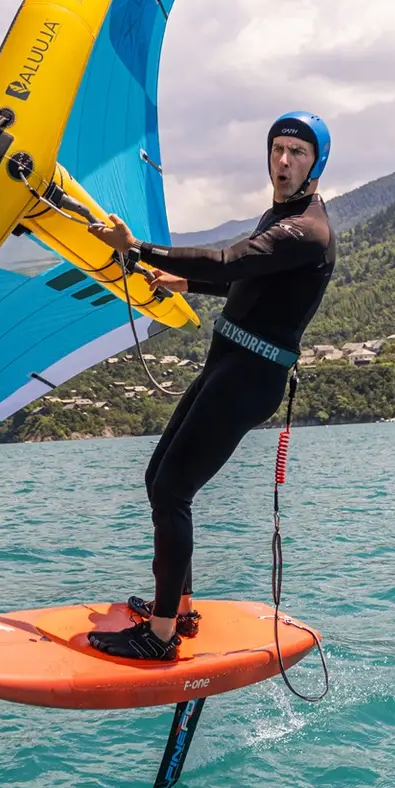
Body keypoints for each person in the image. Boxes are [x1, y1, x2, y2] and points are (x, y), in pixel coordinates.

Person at [82, 111, 337, 661]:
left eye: (297, 152)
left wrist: (137, 249)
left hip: (249, 376)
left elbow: (230, 262)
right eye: (277, 150)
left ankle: (161, 636)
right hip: (228, 364)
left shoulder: (307, 230)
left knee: (173, 491)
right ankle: (180, 606)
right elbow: (249, 282)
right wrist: (186, 281)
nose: (284, 160)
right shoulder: (282, 215)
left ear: (317, 164)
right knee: (159, 480)